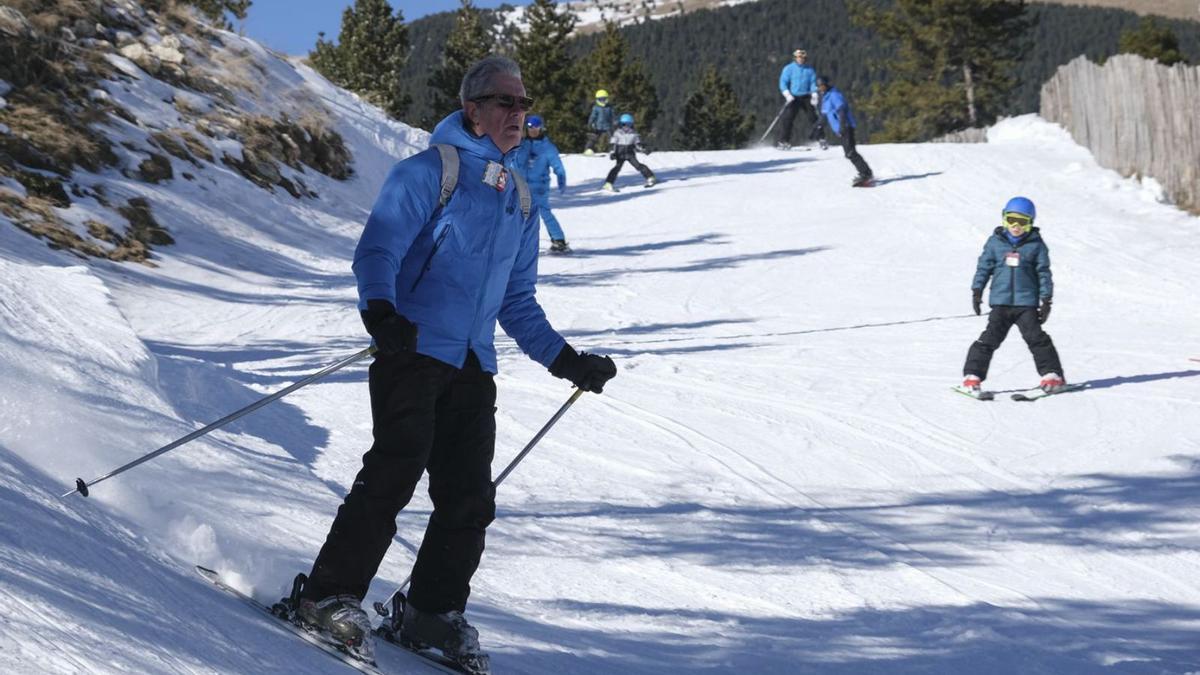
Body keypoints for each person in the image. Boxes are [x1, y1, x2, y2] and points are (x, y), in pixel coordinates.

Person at [296, 55, 618, 674]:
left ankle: (428, 613)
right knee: (395, 470)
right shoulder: (428, 172)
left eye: (523, 104)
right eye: (505, 103)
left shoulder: (518, 195)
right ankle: (327, 596)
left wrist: (568, 361)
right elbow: (379, 250)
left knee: (468, 498)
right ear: (473, 108)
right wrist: (382, 315)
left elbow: (517, 302)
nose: (517, 115)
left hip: (473, 365)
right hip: (412, 351)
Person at [961, 197, 1066, 394]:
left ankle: (1052, 375)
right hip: (1001, 303)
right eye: (1011, 220)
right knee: (989, 339)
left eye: (1022, 222)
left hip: (1026, 304)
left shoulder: (1036, 246)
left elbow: (1044, 273)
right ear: (1004, 219)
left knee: (1037, 338)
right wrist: (977, 290)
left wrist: (1046, 300)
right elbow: (984, 267)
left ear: (1030, 223)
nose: (1016, 226)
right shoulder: (995, 243)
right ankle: (971, 377)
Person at [510, 114, 570, 253]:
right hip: (520, 186)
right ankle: (514, 242)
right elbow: (512, 161)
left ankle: (558, 240)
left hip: (539, 187)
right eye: (530, 127)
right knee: (515, 213)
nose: (533, 130)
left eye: (536, 127)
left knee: (544, 212)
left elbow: (558, 165)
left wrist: (561, 179)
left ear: (541, 128)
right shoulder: (522, 145)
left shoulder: (547, 147)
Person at [816, 75, 874, 187]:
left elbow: (841, 110)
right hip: (840, 130)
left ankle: (866, 173)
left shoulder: (834, 95)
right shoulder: (825, 98)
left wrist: (842, 125)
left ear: (826, 84)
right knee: (849, 154)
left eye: (822, 85)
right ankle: (865, 172)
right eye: (819, 86)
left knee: (850, 152)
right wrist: (817, 127)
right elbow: (824, 115)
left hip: (846, 127)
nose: (820, 88)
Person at [776, 48, 821, 150]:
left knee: (813, 118)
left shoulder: (809, 70)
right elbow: (783, 82)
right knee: (787, 119)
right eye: (799, 57)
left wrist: (814, 94)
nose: (801, 59)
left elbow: (813, 83)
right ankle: (783, 141)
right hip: (793, 97)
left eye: (802, 57)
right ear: (795, 58)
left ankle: (821, 139)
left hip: (806, 96)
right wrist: (787, 94)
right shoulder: (789, 68)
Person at [602, 113, 656, 192]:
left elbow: (637, 144)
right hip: (620, 153)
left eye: (629, 124)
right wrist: (612, 153)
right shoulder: (617, 133)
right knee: (617, 168)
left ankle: (650, 177)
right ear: (620, 124)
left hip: (630, 153)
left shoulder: (634, 134)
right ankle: (608, 183)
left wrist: (643, 150)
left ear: (631, 124)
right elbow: (613, 144)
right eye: (624, 124)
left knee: (638, 165)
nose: (626, 127)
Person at [584, 89, 615, 155]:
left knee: (611, 137)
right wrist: (590, 123)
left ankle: (612, 149)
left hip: (607, 126)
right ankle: (588, 149)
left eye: (604, 99)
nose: (603, 101)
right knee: (594, 138)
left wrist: (615, 122)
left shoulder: (609, 107)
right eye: (601, 99)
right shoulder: (596, 108)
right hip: (598, 126)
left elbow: (613, 116)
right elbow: (592, 116)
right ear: (597, 100)